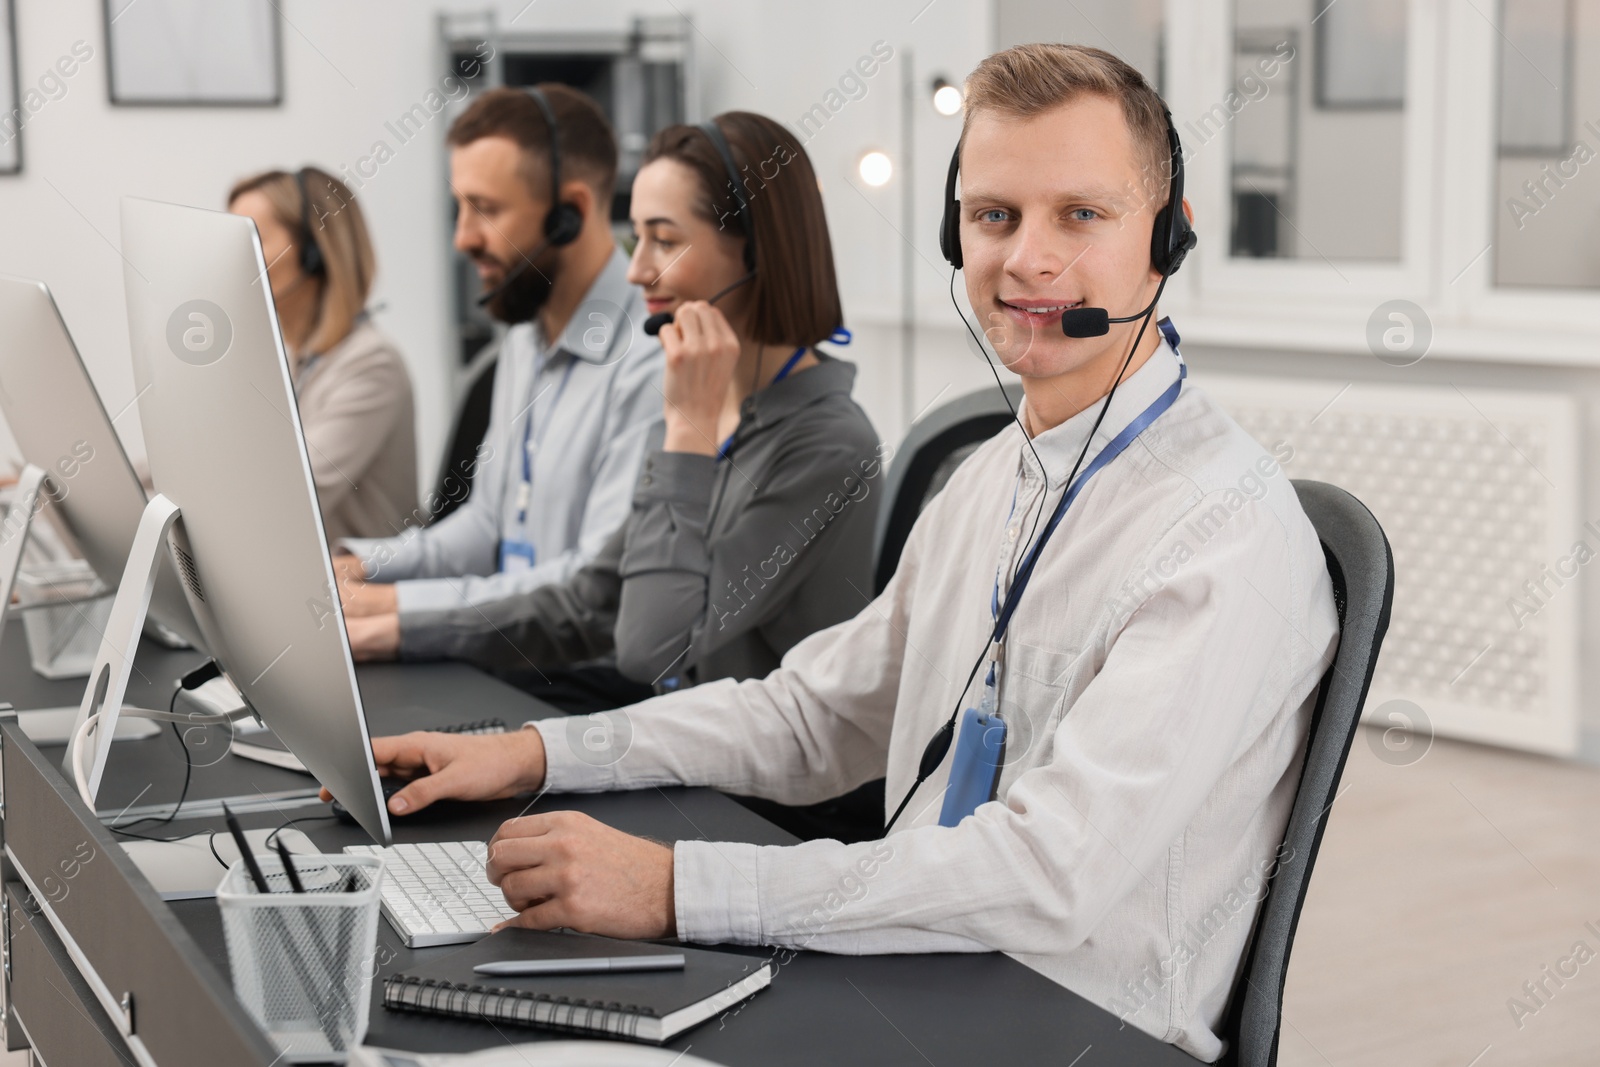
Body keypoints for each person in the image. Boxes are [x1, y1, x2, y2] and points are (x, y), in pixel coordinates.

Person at [342, 45, 1339, 1062]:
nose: (1026, 260)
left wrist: (677, 885)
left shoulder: (1224, 529)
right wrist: (539, 752)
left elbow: (1046, 872)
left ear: (1165, 241)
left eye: (1080, 215)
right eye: (994, 215)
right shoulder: (990, 479)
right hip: (917, 968)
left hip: (1074, 1025)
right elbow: (814, 715)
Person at [344, 112, 883, 701]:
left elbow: (652, 648)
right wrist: (387, 630)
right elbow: (592, 599)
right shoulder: (718, 404)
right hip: (674, 743)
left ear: (757, 253)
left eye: (666, 240)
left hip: (746, 787)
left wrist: (686, 433)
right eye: (638, 237)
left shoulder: (826, 445)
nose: (637, 269)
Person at [335, 86, 663, 690]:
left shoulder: (650, 358)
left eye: (485, 209)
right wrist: (354, 569)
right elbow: (485, 528)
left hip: (587, 690)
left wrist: (390, 610)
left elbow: (588, 588)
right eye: (460, 209)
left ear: (571, 211)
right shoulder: (525, 336)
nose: (463, 238)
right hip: (499, 661)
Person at [228, 167, 418, 542]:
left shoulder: (371, 365)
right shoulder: (295, 362)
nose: (231, 258)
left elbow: (288, 500)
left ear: (315, 251)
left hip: (358, 590)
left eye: (251, 239)